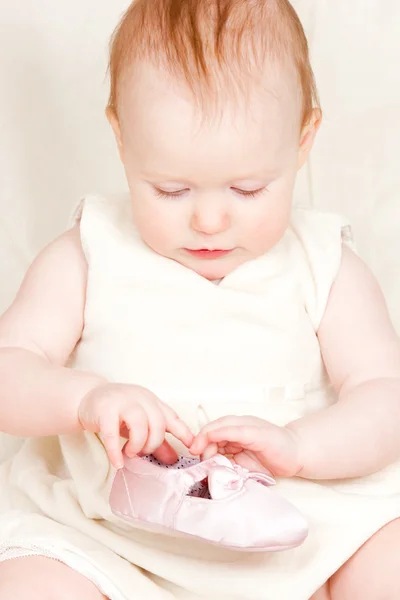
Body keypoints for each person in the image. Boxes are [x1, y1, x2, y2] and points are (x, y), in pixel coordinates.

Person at [0, 1, 400, 598]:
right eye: (170, 189)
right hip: (106, 532)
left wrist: (302, 448)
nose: (209, 219)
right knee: (32, 583)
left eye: (248, 188)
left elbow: (385, 396)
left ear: (303, 140)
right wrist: (87, 400)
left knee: (387, 559)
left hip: (306, 517)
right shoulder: (86, 252)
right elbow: (11, 368)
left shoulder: (325, 264)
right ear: (121, 137)